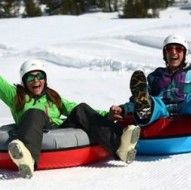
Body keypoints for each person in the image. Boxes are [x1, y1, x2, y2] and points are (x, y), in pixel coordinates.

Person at [0, 59, 140, 178]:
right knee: (34, 112)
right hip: (32, 127)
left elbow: (74, 108)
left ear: (45, 79)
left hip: (55, 128)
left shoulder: (52, 97)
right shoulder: (16, 96)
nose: (36, 80)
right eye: (30, 78)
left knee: (81, 108)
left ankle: (120, 146)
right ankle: (28, 159)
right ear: (24, 81)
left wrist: (107, 115)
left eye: (39, 76)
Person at [109, 34, 191, 127]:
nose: (173, 52)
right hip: (163, 109)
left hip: (189, 107)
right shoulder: (155, 76)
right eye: (169, 49)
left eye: (179, 49)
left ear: (185, 53)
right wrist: (123, 109)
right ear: (165, 54)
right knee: (155, 102)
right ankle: (145, 110)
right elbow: (136, 100)